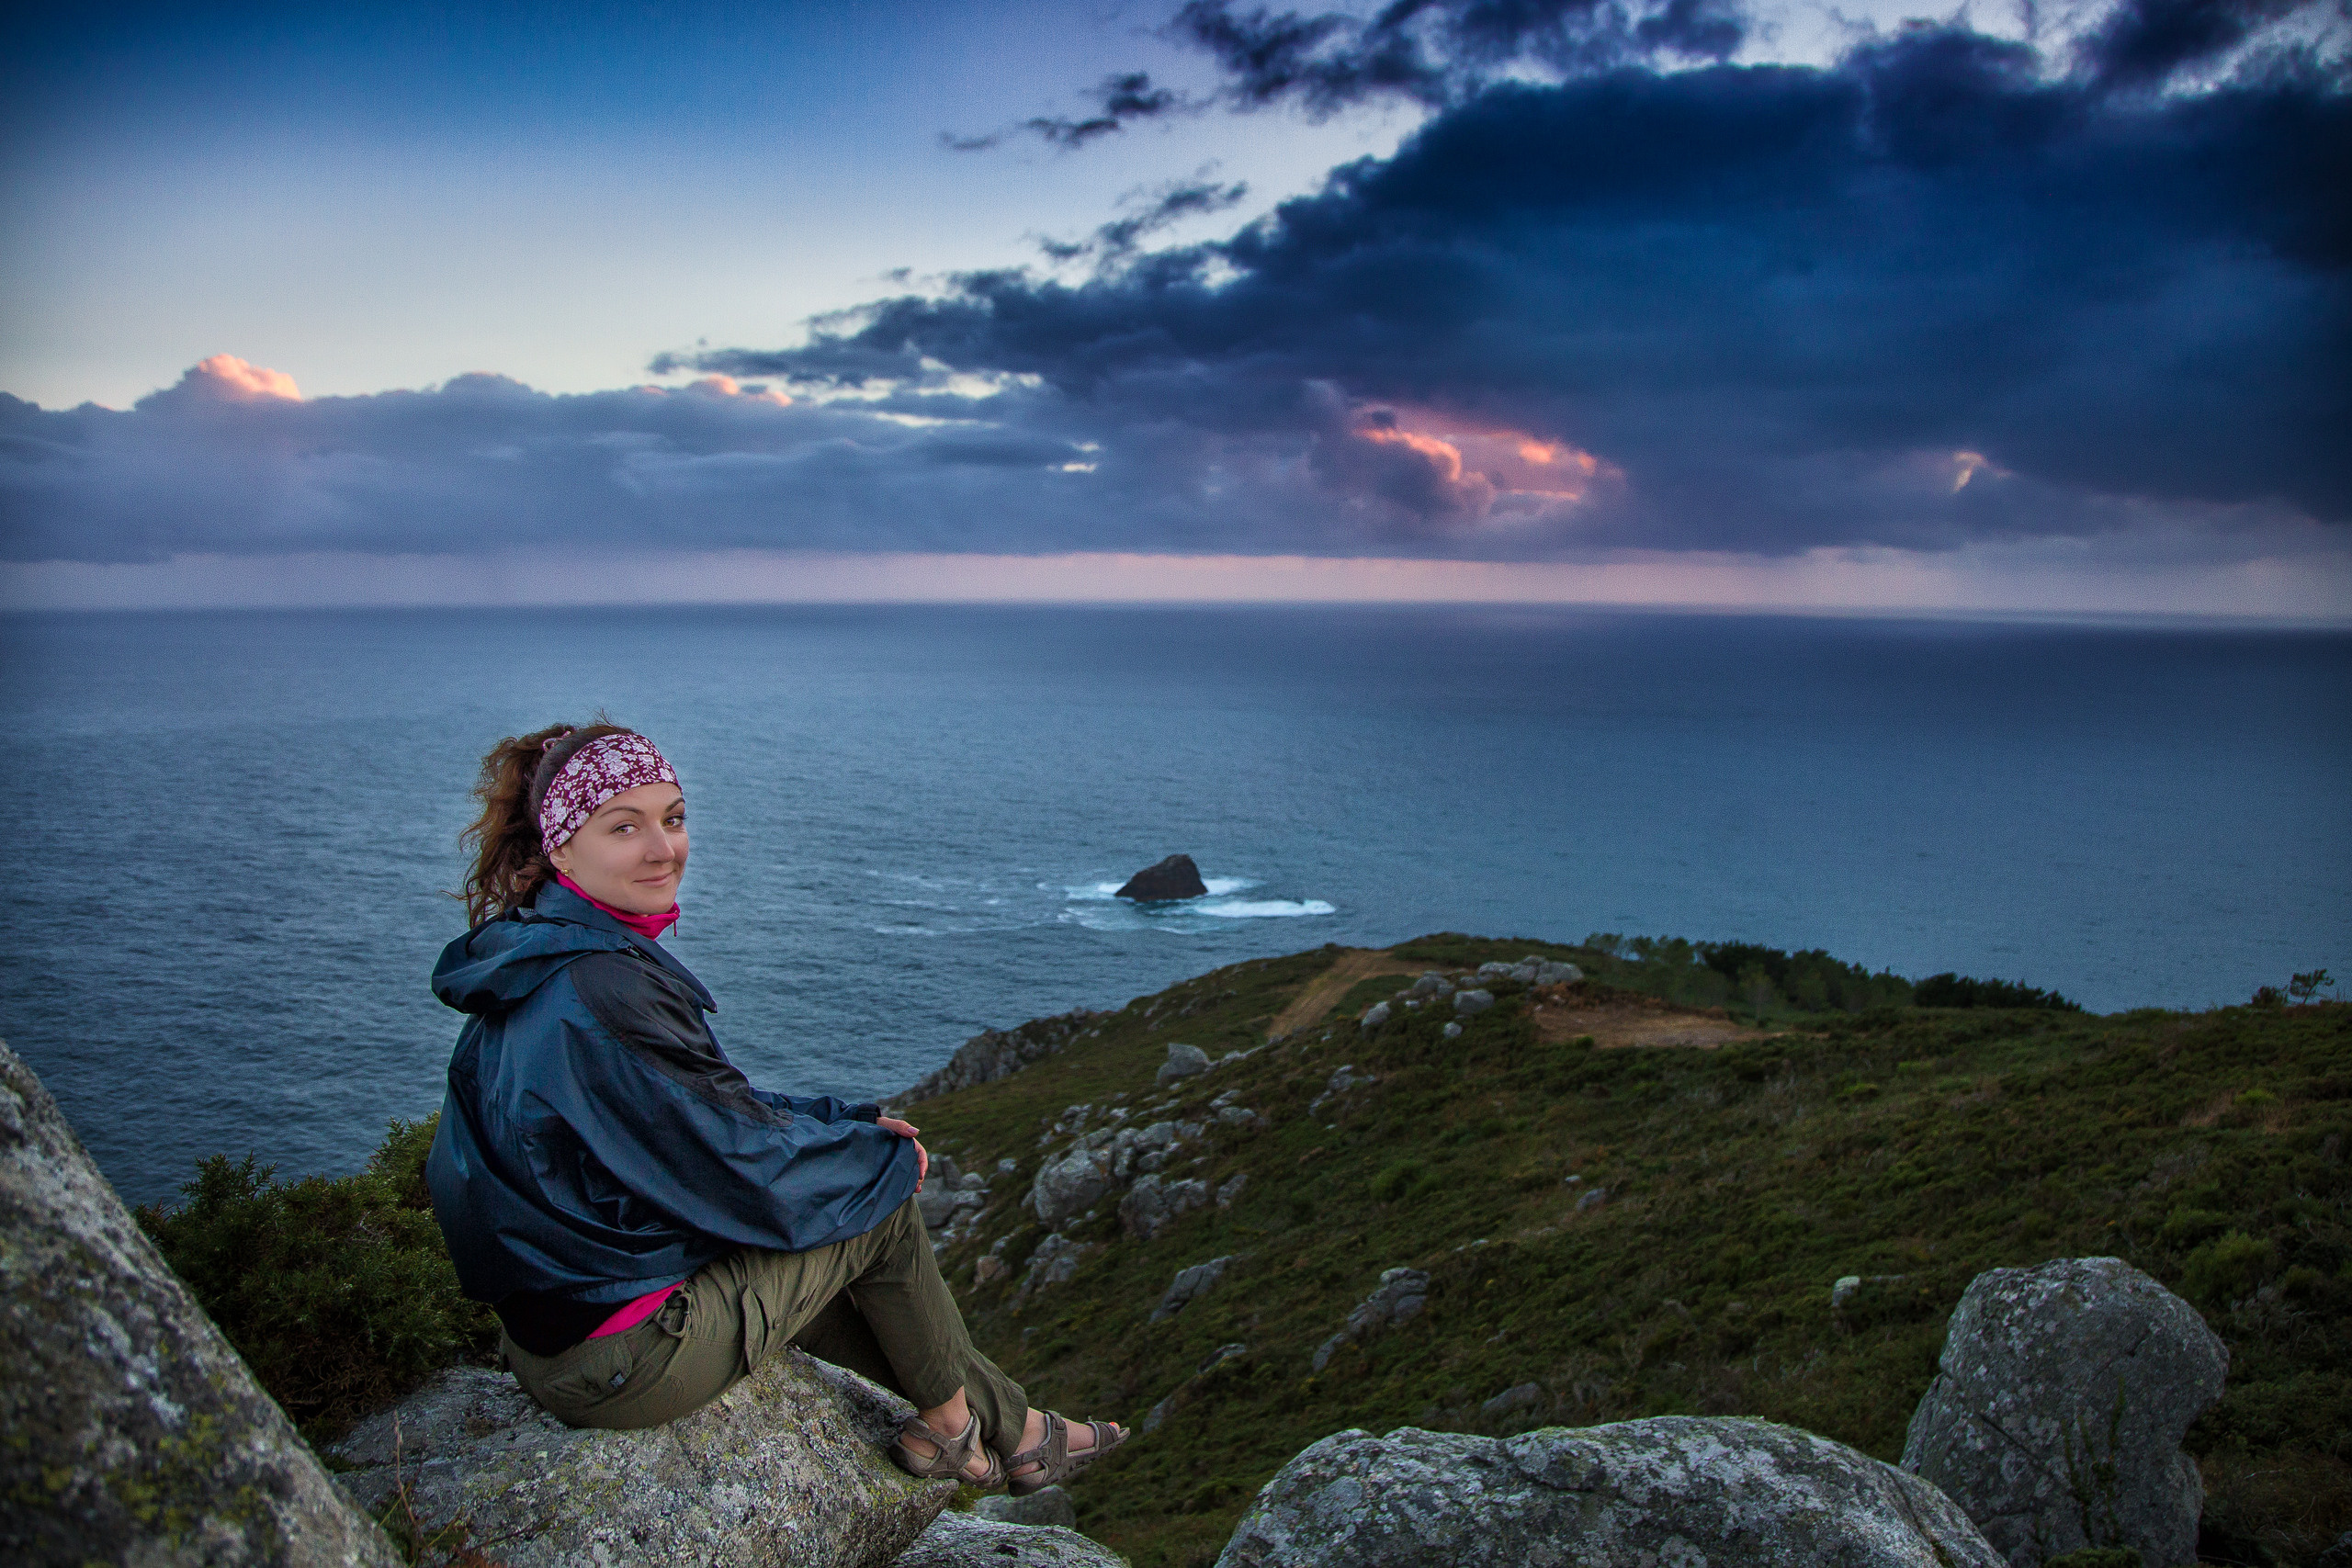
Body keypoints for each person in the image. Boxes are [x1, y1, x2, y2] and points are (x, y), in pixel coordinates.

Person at [424, 720, 1122, 1493]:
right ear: (561, 848)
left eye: (674, 818)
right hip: (621, 1356)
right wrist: (873, 1159)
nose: (664, 848)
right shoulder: (604, 985)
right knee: (876, 1204)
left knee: (841, 1203)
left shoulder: (535, 956)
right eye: (625, 827)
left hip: (558, 1326)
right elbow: (734, 1155)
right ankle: (956, 1431)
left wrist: (839, 1123)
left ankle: (1014, 1428)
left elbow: (695, 1104)